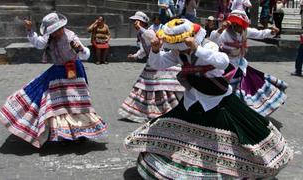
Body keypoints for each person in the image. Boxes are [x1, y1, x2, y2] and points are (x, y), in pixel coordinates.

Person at [124, 18, 293, 179]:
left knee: (239, 135)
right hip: (192, 99)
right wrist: (154, 50)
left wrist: (197, 49)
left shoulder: (208, 45)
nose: (181, 50)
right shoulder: (177, 52)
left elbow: (223, 61)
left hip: (218, 99)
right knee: (175, 132)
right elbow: (157, 64)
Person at [0, 12, 107, 148]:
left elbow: (86, 55)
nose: (55, 33)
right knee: (54, 103)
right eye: (52, 31)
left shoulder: (71, 37)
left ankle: (81, 132)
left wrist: (81, 49)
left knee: (75, 103)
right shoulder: (49, 37)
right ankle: (64, 133)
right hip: (57, 71)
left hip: (74, 73)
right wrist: (30, 30)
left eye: (57, 30)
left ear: (61, 27)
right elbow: (39, 44)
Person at [212, 10, 287, 116]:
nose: (238, 26)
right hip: (226, 66)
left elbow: (260, 34)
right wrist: (220, 29)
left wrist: (271, 32)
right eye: (235, 23)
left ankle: (245, 111)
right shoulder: (225, 33)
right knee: (225, 90)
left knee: (251, 87)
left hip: (240, 65)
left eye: (240, 24)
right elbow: (213, 40)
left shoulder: (245, 31)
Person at [119, 11, 185, 123]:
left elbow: (153, 38)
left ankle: (167, 110)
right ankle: (142, 111)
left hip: (158, 62)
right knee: (145, 87)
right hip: (152, 62)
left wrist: (140, 28)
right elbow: (144, 49)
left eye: (137, 21)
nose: (134, 23)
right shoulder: (141, 34)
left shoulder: (148, 31)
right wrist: (135, 56)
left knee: (158, 88)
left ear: (142, 22)